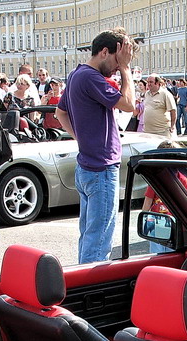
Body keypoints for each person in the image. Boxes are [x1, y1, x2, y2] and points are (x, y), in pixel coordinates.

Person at [56, 28, 136, 264]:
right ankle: (91, 285)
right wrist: (126, 69)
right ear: (104, 52)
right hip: (101, 168)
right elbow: (129, 104)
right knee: (98, 244)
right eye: (116, 60)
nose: (116, 68)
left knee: (89, 237)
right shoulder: (91, 77)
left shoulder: (76, 74)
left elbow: (60, 113)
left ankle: (82, 280)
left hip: (88, 166)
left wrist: (81, 137)